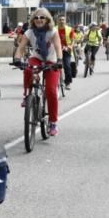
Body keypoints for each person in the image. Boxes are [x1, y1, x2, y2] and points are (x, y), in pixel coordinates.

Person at [13, 8, 64, 136]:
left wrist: (59, 61)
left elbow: (58, 47)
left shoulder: (52, 31)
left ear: (47, 19)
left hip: (51, 60)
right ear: (33, 20)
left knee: (51, 91)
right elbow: (21, 47)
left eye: (42, 17)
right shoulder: (29, 32)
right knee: (28, 69)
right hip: (37, 58)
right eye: (36, 18)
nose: (39, 20)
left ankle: (53, 123)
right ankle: (27, 95)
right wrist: (17, 59)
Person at [56, 15, 76, 86]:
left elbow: (73, 40)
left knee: (67, 66)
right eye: (60, 20)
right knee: (50, 66)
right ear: (57, 21)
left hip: (66, 50)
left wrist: (70, 46)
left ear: (65, 21)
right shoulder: (54, 29)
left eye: (63, 20)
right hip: (55, 50)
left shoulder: (70, 29)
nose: (61, 21)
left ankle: (68, 82)